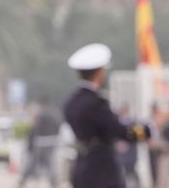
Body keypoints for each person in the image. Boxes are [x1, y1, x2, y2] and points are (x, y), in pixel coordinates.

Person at [62, 43, 149, 188]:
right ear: (100, 72)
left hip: (81, 167)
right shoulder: (96, 103)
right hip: (101, 169)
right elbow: (121, 131)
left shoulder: (71, 102)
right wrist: (147, 130)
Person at [19, 97, 61, 187]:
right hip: (51, 141)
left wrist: (30, 143)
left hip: (40, 142)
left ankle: (23, 180)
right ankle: (53, 182)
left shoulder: (40, 115)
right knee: (49, 163)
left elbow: (35, 130)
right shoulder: (54, 114)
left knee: (32, 162)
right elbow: (58, 128)